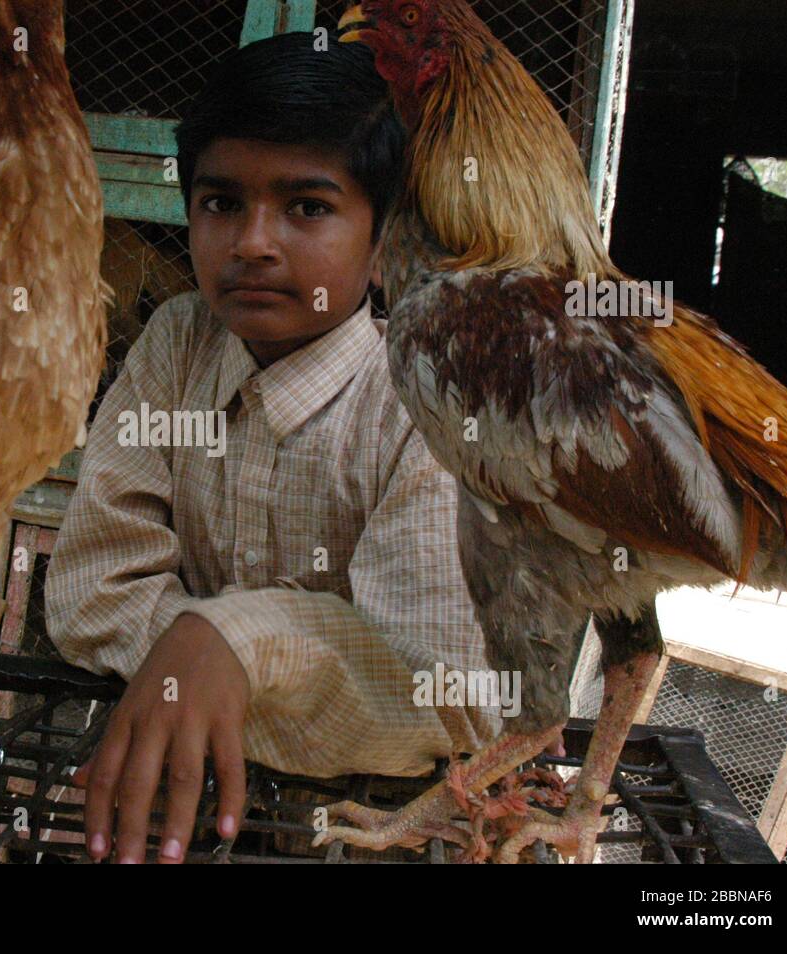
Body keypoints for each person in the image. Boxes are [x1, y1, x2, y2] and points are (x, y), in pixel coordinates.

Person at [45, 32, 510, 864]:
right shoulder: (178, 345)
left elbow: (443, 697)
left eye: (307, 207)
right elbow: (89, 593)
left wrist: (237, 645)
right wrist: (215, 665)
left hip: (380, 835)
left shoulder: (428, 400)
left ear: (384, 247)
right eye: (221, 202)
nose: (253, 242)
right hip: (169, 815)